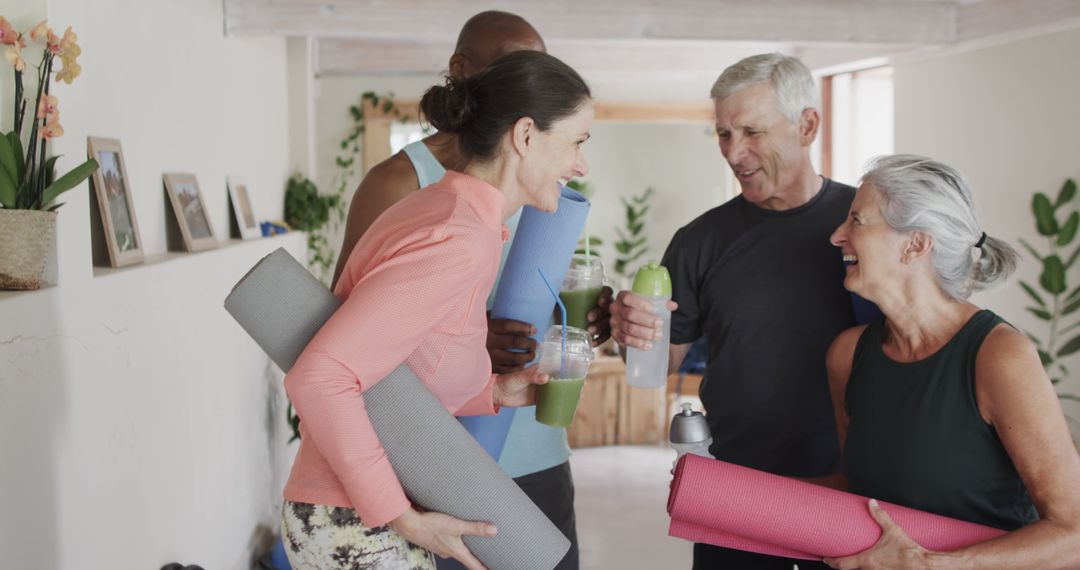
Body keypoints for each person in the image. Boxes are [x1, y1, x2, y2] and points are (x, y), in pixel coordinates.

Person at [281, 50, 595, 570]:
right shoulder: (457, 238)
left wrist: (492, 390)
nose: (581, 164)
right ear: (525, 137)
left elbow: (406, 362)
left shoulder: (453, 213)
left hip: (352, 515)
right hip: (355, 523)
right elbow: (321, 376)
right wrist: (400, 516)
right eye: (577, 142)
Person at [610, 53, 854, 569]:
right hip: (735, 484)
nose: (735, 152)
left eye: (752, 131)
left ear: (807, 125)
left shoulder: (863, 227)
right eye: (723, 134)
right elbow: (661, 362)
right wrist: (632, 333)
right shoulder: (699, 241)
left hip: (849, 485)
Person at [820, 155, 1080, 569]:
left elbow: (1074, 535)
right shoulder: (847, 355)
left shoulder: (999, 356)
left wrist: (928, 565)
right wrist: (738, 493)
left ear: (916, 244)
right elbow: (862, 490)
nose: (837, 235)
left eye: (858, 221)